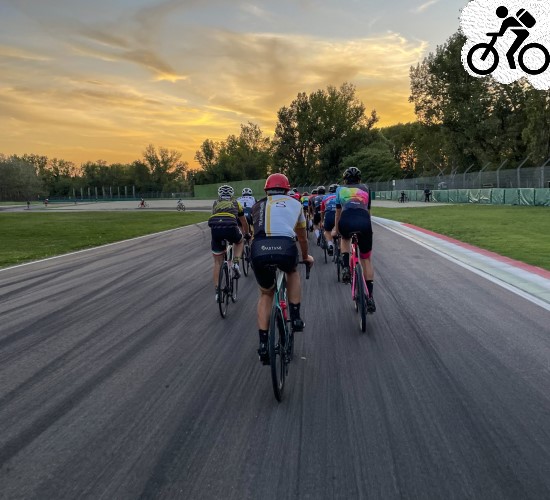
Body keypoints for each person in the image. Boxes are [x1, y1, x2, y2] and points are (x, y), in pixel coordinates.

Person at [250, 173, 314, 364]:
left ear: (266, 191)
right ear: (287, 190)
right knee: (292, 271)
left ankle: (263, 344)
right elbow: (302, 237)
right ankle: (295, 316)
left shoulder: (257, 206)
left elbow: (254, 234)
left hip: (259, 249)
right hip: (285, 248)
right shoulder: (296, 203)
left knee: (266, 294)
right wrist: (305, 257)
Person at [332, 167, 376, 313]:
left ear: (345, 180)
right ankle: (370, 297)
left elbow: (338, 213)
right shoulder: (366, 188)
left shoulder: (339, 190)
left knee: (345, 238)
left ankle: (345, 267)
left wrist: (337, 230)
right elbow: (368, 212)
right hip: (364, 222)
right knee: (366, 260)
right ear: (359, 179)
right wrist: (369, 230)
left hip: (346, 220)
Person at [209, 185, 250, 301]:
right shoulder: (236, 203)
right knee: (239, 242)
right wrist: (247, 233)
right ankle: (236, 262)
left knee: (217, 262)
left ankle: (218, 292)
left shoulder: (215, 203)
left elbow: (213, 216)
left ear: (219, 195)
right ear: (231, 194)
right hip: (230, 226)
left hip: (215, 229)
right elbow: (244, 222)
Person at [321, 184, 338, 256]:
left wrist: (322, 221)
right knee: (341, 232)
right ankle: (340, 249)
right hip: (338, 214)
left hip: (328, 215)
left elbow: (322, 211)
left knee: (327, 231)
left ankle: (330, 245)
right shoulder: (340, 195)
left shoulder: (325, 197)